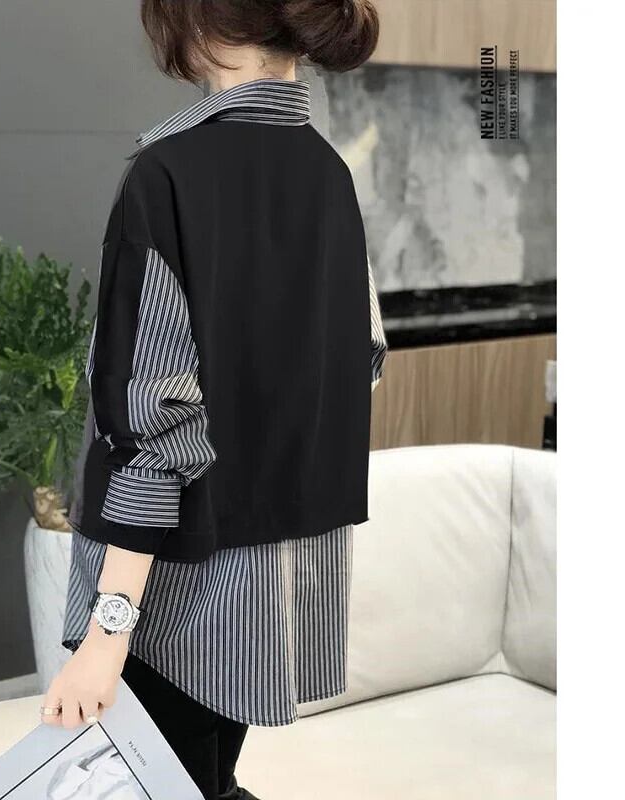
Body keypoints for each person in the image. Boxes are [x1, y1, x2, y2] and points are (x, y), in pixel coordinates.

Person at [42, 2, 387, 798]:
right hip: (277, 581)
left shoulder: (168, 175)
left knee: (168, 783)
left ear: (200, 23)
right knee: (205, 778)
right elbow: (360, 359)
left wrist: (108, 630)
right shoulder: (329, 174)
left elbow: (152, 426)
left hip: (174, 586)